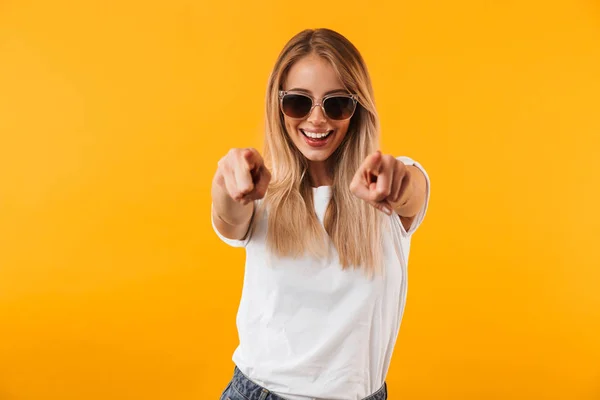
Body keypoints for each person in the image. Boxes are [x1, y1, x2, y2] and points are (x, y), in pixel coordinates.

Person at [211, 28, 430, 400]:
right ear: (277, 104)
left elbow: (410, 191)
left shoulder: (387, 191)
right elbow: (229, 218)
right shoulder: (260, 191)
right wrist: (226, 181)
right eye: (298, 102)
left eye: (336, 104)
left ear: (357, 108)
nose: (316, 120)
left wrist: (396, 181)